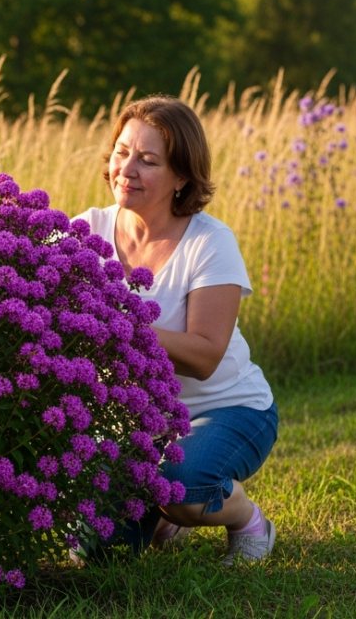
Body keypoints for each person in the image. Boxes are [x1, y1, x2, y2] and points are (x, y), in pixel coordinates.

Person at [73, 96, 278, 564]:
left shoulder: (210, 242)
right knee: (97, 552)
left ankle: (246, 518)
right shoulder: (84, 233)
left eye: (148, 161)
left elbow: (205, 356)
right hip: (136, 426)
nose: (127, 169)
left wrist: (119, 321)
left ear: (182, 177)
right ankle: (164, 513)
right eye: (122, 152)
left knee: (182, 488)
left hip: (227, 409)